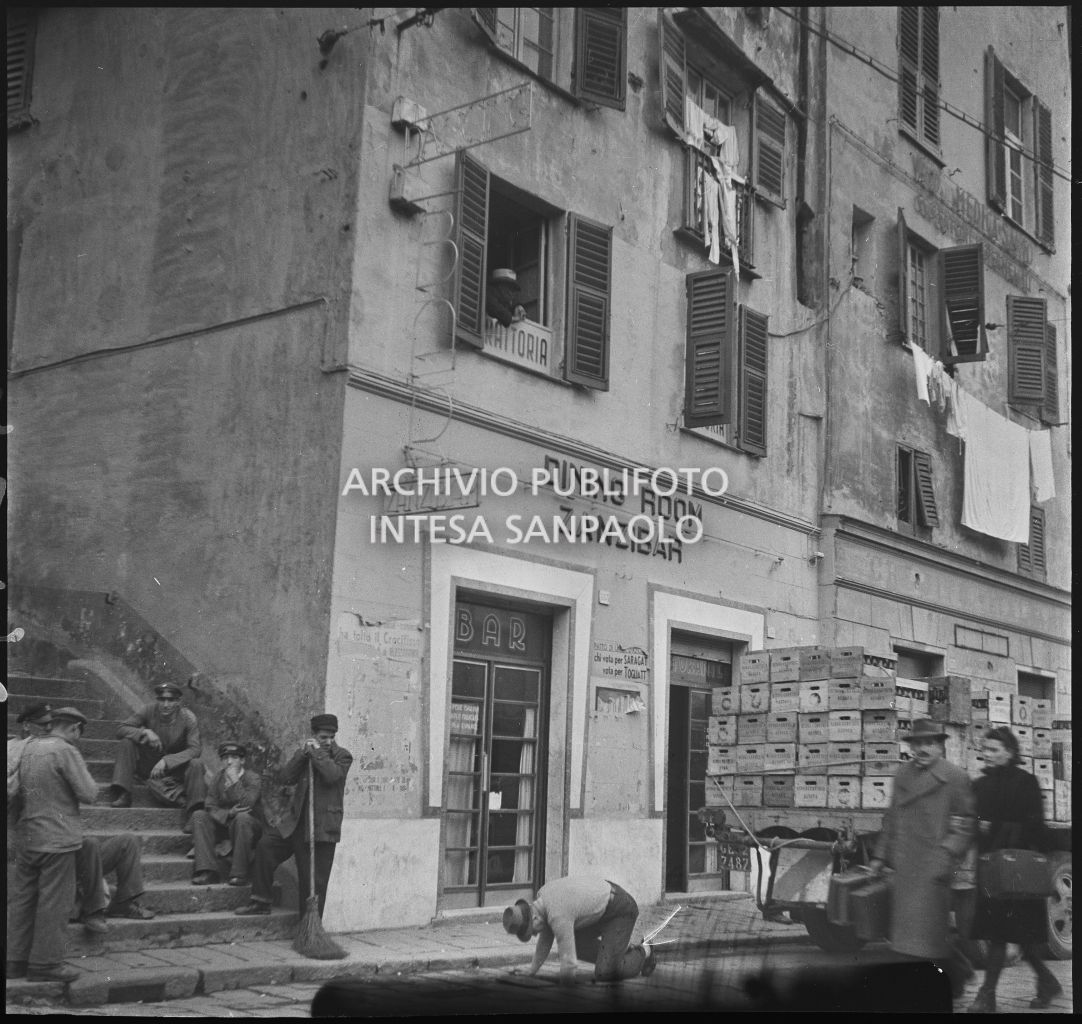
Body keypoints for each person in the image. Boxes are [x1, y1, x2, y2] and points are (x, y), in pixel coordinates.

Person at [868, 719, 975, 1000]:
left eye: (930, 743)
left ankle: (950, 979)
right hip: (905, 863)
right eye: (918, 744)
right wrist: (880, 856)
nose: (923, 749)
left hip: (934, 863)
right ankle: (952, 975)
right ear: (911, 748)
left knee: (929, 934)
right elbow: (891, 818)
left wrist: (948, 854)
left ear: (940, 746)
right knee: (909, 935)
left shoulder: (955, 777)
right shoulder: (903, 775)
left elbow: (965, 822)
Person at [966, 726, 1063, 1013]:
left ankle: (987, 996)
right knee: (1017, 935)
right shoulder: (979, 785)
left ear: (1009, 752)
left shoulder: (1026, 782)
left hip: (1018, 871)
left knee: (1004, 934)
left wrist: (994, 827)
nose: (988, 755)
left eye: (995, 750)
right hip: (992, 870)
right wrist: (979, 827)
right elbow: (974, 821)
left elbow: (1036, 826)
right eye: (986, 750)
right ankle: (1046, 982)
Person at [7, 707, 99, 983]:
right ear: (74, 729)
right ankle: (45, 965)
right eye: (78, 733)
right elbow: (89, 793)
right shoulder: (65, 751)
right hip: (57, 838)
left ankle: (14, 960)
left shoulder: (27, 747)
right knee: (54, 903)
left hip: (27, 835)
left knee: (22, 899)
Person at [234, 713, 352, 918]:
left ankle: (309, 927)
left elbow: (332, 775)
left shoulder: (342, 756)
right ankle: (261, 901)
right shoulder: (307, 754)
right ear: (314, 735)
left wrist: (317, 754)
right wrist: (302, 754)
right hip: (296, 824)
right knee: (266, 846)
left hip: (322, 827)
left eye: (332, 736)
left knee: (313, 881)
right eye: (323, 737)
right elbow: (286, 778)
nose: (328, 741)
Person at [501, 874, 656, 985]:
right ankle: (616, 951)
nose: (535, 935)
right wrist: (531, 971)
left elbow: (568, 962)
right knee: (578, 945)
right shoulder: (543, 898)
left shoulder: (557, 913)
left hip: (620, 909)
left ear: (534, 918)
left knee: (605, 973)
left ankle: (645, 950)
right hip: (602, 907)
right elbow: (545, 941)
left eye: (531, 931)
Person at [109, 681, 206, 820]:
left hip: (175, 769)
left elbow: (195, 749)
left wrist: (168, 761)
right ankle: (124, 792)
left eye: (170, 700)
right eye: (162, 699)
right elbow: (121, 729)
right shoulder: (149, 710)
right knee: (126, 742)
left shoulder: (188, 718)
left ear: (178, 701)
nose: (165, 705)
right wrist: (144, 732)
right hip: (150, 765)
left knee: (197, 763)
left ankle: (194, 813)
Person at [190, 741, 263, 886]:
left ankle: (239, 874)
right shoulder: (218, 778)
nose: (229, 762)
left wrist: (235, 780)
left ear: (242, 760)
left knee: (242, 817)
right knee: (199, 815)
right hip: (226, 823)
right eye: (225, 758)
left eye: (234, 757)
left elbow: (247, 805)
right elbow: (210, 806)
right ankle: (208, 871)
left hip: (249, 826)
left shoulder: (252, 778)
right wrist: (229, 813)